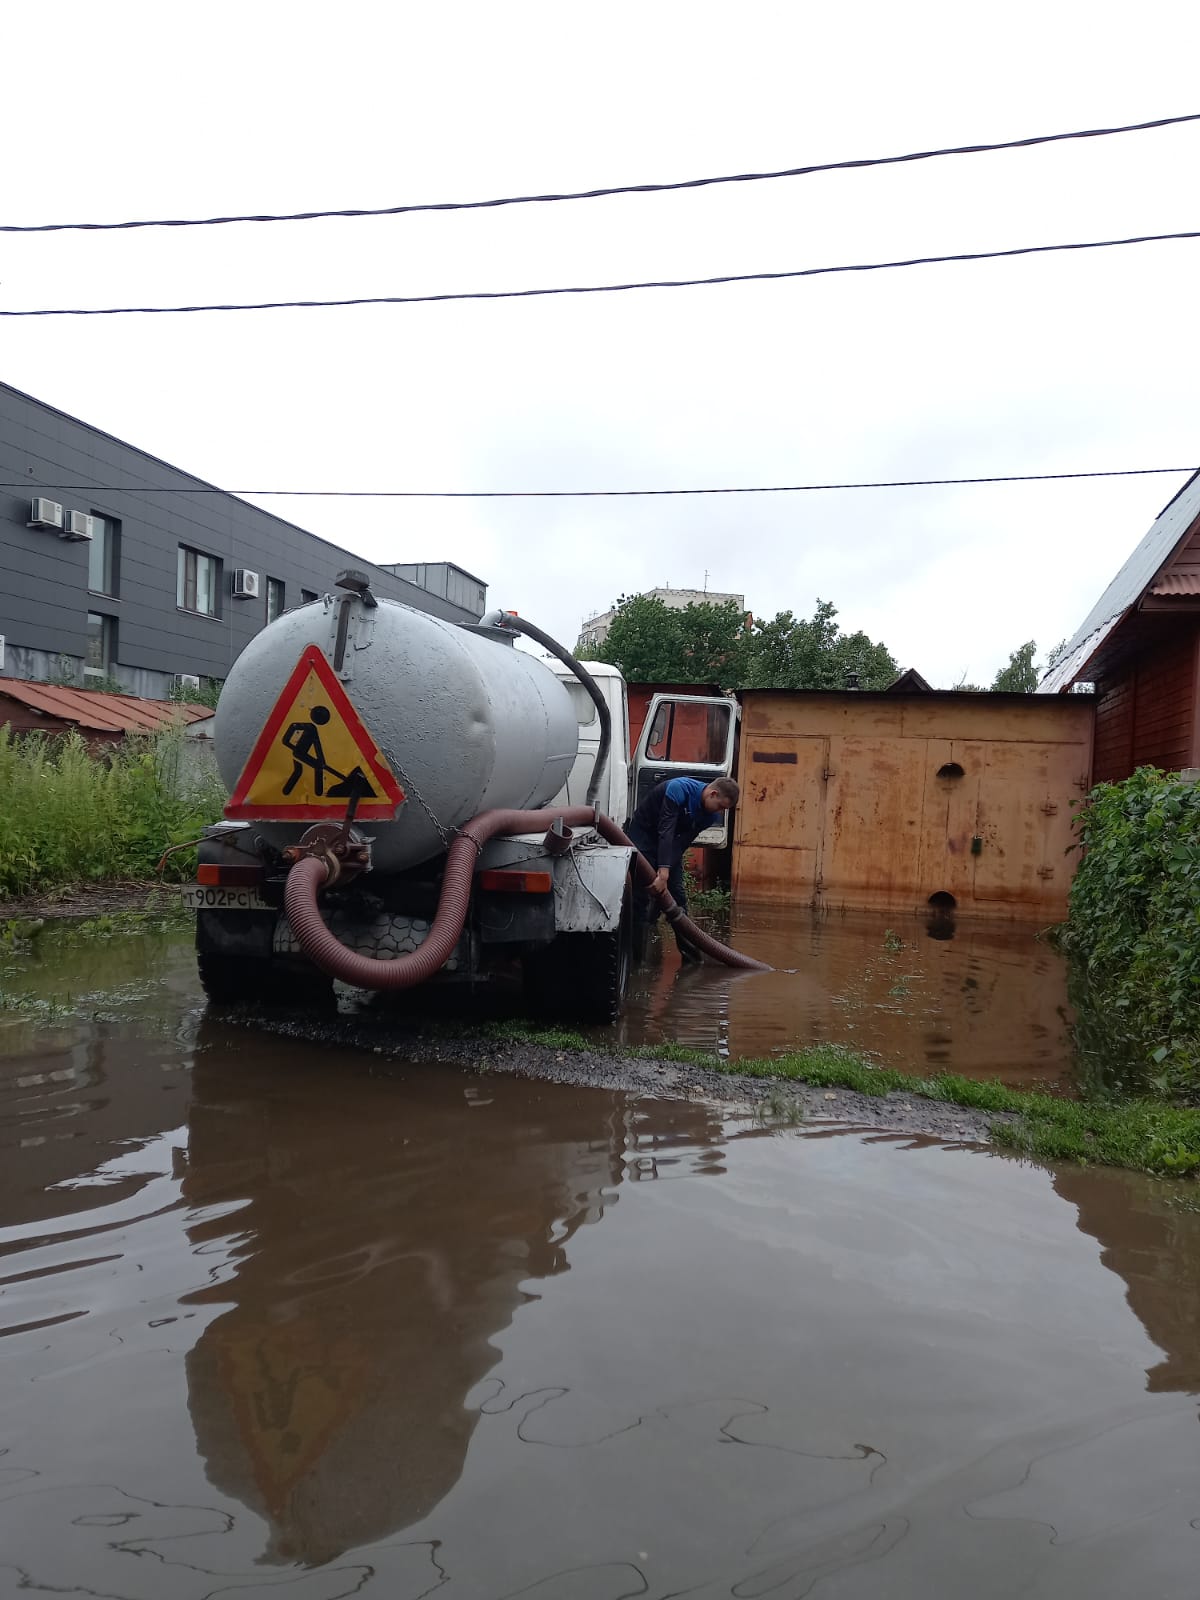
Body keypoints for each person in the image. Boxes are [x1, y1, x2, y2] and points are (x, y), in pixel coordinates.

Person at [626, 777, 739, 961]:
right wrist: (663, 870)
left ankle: (692, 959)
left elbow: (681, 842)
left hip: (669, 845)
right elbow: (666, 829)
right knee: (640, 897)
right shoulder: (679, 790)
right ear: (713, 793)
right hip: (644, 835)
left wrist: (667, 869)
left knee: (677, 897)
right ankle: (635, 960)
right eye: (720, 806)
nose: (720, 812)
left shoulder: (710, 816)